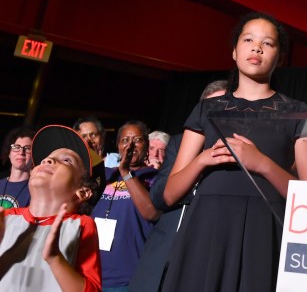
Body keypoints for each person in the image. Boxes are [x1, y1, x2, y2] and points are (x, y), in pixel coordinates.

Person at [161, 12, 307, 292]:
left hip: (265, 227)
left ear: (281, 58)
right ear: (234, 52)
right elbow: (170, 193)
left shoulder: (298, 112)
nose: (257, 47)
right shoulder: (206, 109)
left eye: (268, 43)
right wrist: (202, 160)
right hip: (207, 228)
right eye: (248, 39)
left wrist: (261, 163)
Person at [129, 79, 228, 292]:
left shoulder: (235, 151)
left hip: (204, 253)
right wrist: (199, 162)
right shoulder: (179, 142)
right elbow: (158, 195)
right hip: (162, 254)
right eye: (209, 107)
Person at [0, 124, 104, 292]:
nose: (48, 160)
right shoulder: (6, 219)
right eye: (44, 159)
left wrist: (55, 259)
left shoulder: (81, 225)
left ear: (83, 192)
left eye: (66, 160)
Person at [91, 120, 161, 292]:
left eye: (137, 140)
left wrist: (126, 172)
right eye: (125, 140)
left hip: (127, 278)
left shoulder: (155, 178)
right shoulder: (105, 176)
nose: (130, 145)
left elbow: (152, 213)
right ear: (117, 145)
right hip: (91, 273)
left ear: (146, 145)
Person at [0, 125, 36, 209]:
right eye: (16, 147)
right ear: (9, 153)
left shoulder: (35, 190)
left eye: (27, 148)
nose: (21, 152)